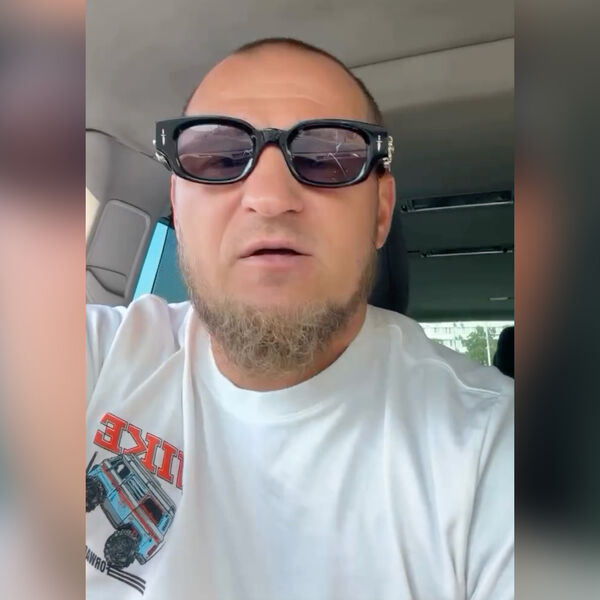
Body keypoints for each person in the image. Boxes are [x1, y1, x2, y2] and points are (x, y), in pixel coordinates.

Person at [86, 38, 513, 600]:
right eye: (218, 158)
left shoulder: (492, 449)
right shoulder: (89, 357)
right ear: (178, 208)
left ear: (381, 213)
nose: (269, 198)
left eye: (327, 158)